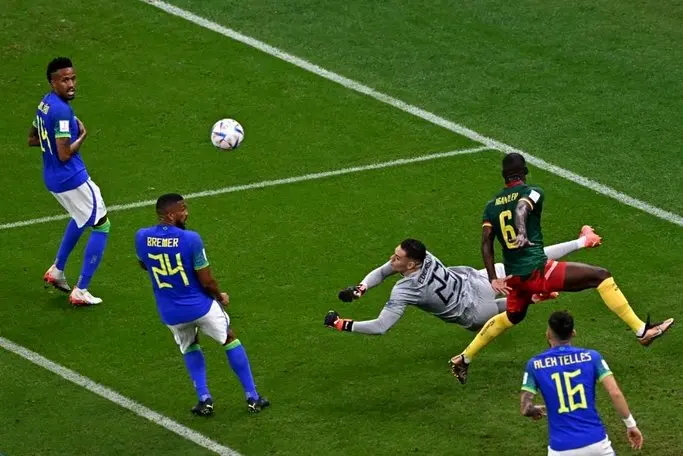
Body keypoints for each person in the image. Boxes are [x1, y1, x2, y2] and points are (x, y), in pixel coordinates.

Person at [449, 152, 674, 384]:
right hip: (537, 271)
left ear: (504, 176)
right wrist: (522, 231)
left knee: (512, 316)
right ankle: (641, 331)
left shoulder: (491, 206)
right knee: (600, 276)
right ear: (524, 172)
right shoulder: (533, 192)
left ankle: (464, 358)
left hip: (515, 278)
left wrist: (493, 278)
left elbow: (486, 242)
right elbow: (521, 209)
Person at [135, 193, 269, 415]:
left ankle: (204, 399)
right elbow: (206, 281)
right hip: (200, 306)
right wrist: (220, 296)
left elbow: (144, 264)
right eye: (183, 209)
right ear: (170, 214)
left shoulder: (141, 236)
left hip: (170, 312)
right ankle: (253, 397)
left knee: (190, 345)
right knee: (229, 338)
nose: (186, 213)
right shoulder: (191, 239)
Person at [324, 229, 600, 335]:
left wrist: (341, 324)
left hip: (472, 311)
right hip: (476, 282)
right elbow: (384, 271)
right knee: (525, 260)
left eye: (397, 257)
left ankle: (533, 296)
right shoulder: (424, 256)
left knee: (506, 308)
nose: (391, 260)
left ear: (411, 264)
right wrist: (362, 288)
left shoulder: (405, 289)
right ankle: (583, 241)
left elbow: (381, 326)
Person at [30, 57, 110, 305]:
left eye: (73, 78)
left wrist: (53, 141)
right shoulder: (63, 111)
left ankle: (57, 270)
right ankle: (81, 289)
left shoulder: (45, 103)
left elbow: (33, 138)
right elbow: (65, 154)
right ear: (53, 82)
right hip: (72, 178)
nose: (71, 84)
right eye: (65, 80)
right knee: (102, 225)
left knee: (80, 216)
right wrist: (82, 136)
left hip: (52, 178)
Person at [520, 310, 644, 455]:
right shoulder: (592, 357)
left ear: (548, 334)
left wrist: (535, 410)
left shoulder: (535, 364)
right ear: (573, 333)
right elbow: (615, 393)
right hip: (596, 443)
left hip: (561, 448)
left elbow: (525, 408)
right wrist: (631, 425)